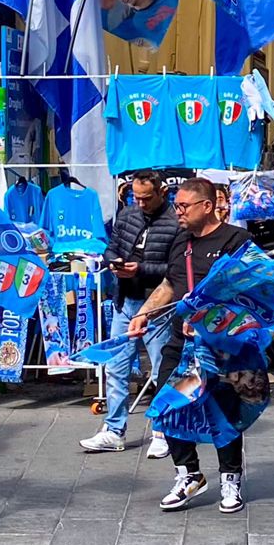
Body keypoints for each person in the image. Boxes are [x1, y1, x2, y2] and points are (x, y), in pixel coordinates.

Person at [128, 177, 250, 512]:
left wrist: (209, 319)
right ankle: (189, 474)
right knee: (167, 405)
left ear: (207, 206)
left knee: (224, 413)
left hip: (221, 347)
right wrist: (144, 314)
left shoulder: (237, 241)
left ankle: (230, 479)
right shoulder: (180, 240)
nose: (177, 212)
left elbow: (249, 292)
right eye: (177, 205)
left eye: (184, 206)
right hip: (180, 344)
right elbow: (171, 283)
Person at [80, 171, 182, 455]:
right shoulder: (126, 215)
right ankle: (114, 430)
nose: (140, 203)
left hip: (157, 304)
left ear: (161, 192)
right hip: (125, 300)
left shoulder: (175, 223)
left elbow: (176, 271)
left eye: (146, 198)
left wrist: (142, 269)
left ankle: (163, 431)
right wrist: (113, 263)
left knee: (163, 367)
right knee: (116, 366)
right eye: (136, 197)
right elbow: (110, 248)